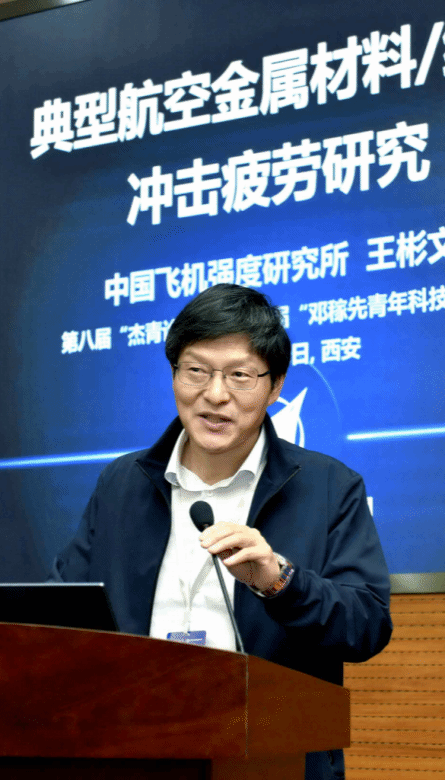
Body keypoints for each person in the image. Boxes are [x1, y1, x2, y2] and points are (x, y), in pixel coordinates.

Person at [51, 283, 391, 780]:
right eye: (196, 371)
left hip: (266, 758)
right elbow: (62, 610)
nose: (215, 395)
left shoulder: (329, 487)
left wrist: (280, 581)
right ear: (174, 374)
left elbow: (367, 627)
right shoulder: (122, 483)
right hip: (134, 750)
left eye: (239, 376)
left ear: (275, 386)